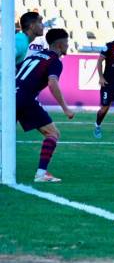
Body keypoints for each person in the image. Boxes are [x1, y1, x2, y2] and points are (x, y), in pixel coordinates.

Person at [15, 29, 75, 182]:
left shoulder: (34, 56)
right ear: (60, 44)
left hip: (10, 96)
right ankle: (41, 174)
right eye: (67, 43)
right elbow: (52, 83)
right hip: (26, 98)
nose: (68, 46)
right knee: (52, 134)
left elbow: (16, 69)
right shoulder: (55, 61)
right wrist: (65, 108)